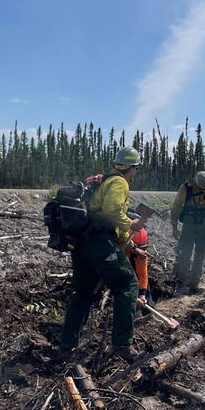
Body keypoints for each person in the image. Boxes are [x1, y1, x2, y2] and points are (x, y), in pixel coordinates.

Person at [60, 146, 145, 362]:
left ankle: (67, 348)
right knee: (127, 283)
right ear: (131, 168)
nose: (135, 173)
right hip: (99, 241)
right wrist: (130, 223)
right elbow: (111, 211)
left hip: (83, 242)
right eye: (135, 169)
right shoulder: (119, 182)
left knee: (83, 293)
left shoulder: (104, 181)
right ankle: (121, 345)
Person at [170, 171, 205, 294]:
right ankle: (181, 284)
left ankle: (194, 285)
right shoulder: (186, 188)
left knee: (200, 254)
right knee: (185, 254)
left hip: (204, 224)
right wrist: (174, 227)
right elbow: (176, 207)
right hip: (189, 224)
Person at [127, 228, 154, 313]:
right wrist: (133, 297)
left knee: (145, 296)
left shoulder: (142, 254)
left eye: (144, 248)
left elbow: (143, 275)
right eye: (140, 249)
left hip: (135, 273)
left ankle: (147, 313)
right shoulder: (122, 251)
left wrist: (142, 295)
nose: (142, 252)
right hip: (122, 276)